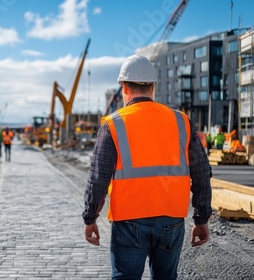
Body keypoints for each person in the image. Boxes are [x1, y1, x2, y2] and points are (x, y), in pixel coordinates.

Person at [82, 54, 212, 279]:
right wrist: (201, 219)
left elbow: (98, 178)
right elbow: (202, 174)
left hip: (129, 222)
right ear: (153, 87)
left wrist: (90, 217)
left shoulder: (113, 124)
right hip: (171, 220)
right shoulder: (181, 121)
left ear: (124, 88)